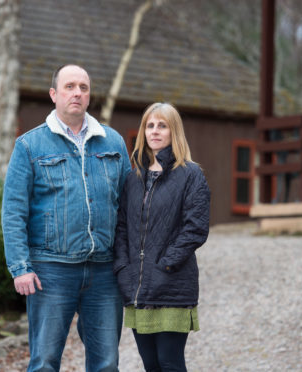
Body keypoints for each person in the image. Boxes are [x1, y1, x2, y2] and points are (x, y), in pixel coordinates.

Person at [2, 64, 131, 372]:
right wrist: (20, 267)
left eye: (83, 88)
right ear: (53, 95)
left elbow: (128, 207)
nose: (77, 93)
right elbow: (13, 211)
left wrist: (129, 262)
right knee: (45, 362)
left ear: (89, 96)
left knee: (107, 363)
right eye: (70, 86)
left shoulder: (112, 142)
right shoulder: (29, 146)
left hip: (104, 271)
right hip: (51, 271)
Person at [113, 102, 210, 371]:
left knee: (170, 364)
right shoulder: (132, 177)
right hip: (137, 289)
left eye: (162, 125)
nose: (155, 131)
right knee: (151, 365)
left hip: (171, 286)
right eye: (150, 125)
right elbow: (121, 228)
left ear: (174, 131)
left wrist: (165, 264)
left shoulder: (190, 175)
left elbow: (195, 229)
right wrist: (123, 268)